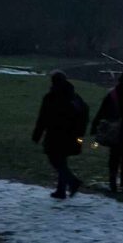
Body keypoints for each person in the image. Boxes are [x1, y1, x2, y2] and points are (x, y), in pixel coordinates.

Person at [32, 71, 89, 199]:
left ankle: (72, 182)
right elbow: (84, 113)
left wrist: (37, 135)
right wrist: (80, 135)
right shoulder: (74, 96)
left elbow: (43, 118)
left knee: (55, 160)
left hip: (55, 134)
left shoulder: (51, 97)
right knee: (62, 160)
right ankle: (61, 190)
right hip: (71, 135)